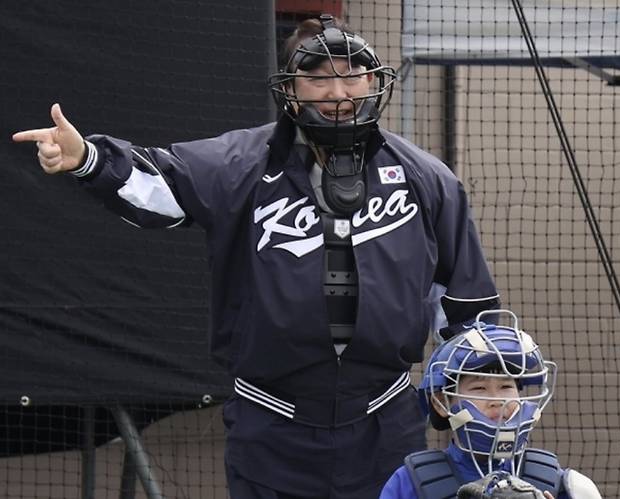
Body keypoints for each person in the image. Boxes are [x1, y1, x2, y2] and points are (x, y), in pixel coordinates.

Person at [12, 14, 500, 499]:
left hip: (385, 422)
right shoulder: (241, 165)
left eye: (353, 74)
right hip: (271, 428)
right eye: (319, 77)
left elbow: (467, 308)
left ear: (374, 80)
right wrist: (87, 159)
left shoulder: (428, 180)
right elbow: (160, 185)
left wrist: (474, 406)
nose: (339, 92)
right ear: (290, 89)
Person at [379, 310, 602, 499]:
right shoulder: (409, 482)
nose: (498, 400)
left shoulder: (563, 485)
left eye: (506, 387)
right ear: (440, 402)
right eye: (479, 389)